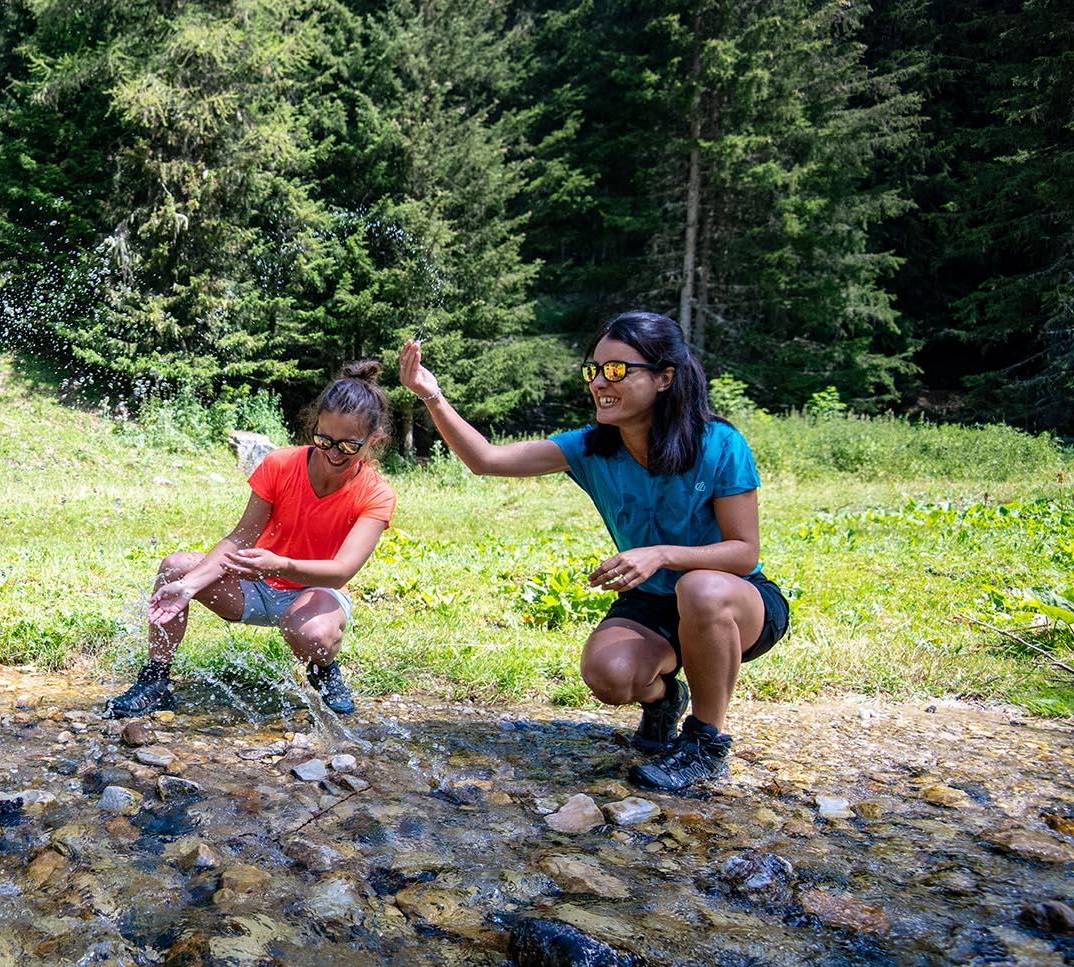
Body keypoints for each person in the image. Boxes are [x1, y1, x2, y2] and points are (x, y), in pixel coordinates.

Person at [398, 312, 788, 791]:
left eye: (618, 371)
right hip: (655, 601)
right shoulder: (590, 447)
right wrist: (431, 395)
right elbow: (486, 460)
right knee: (609, 676)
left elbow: (744, 553)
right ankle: (665, 698)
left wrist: (660, 554)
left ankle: (705, 743)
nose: (601, 381)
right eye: (595, 370)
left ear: (665, 378)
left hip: (736, 600)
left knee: (700, 587)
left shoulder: (719, 443)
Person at [107, 361, 398, 718]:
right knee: (175, 569)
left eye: (349, 446)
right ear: (314, 428)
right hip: (257, 585)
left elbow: (341, 571)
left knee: (312, 634)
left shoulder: (376, 493)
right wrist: (189, 586)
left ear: (374, 440)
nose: (334, 453)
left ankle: (323, 670)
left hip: (315, 594)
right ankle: (155, 681)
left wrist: (279, 565)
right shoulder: (280, 465)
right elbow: (242, 536)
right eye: (325, 440)